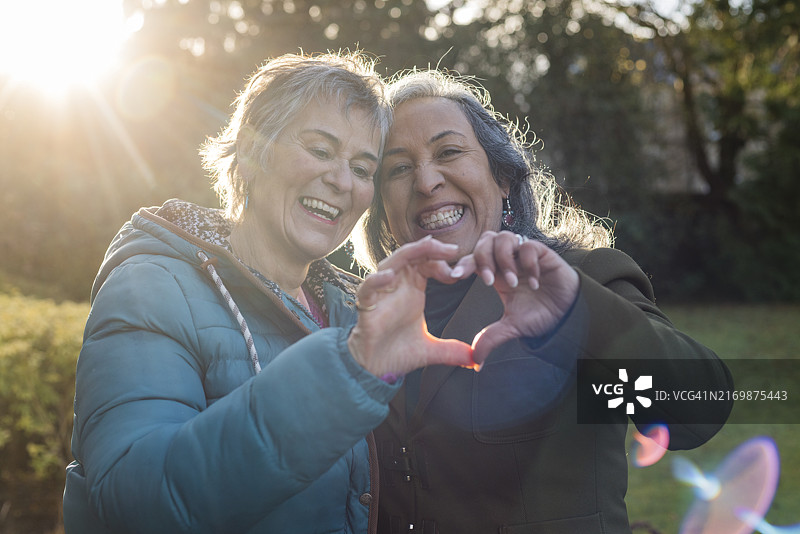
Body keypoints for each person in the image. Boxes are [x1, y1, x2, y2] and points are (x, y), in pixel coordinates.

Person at [62, 53, 475, 534]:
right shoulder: (152, 287)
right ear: (253, 151)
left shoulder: (353, 308)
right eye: (320, 150)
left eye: (363, 169)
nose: (342, 181)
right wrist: (345, 373)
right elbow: (140, 502)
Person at [355, 70, 734, 534]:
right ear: (382, 211)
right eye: (398, 168)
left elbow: (699, 408)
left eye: (449, 152)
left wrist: (574, 314)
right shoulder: (367, 316)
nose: (426, 180)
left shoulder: (583, 278)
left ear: (504, 179)